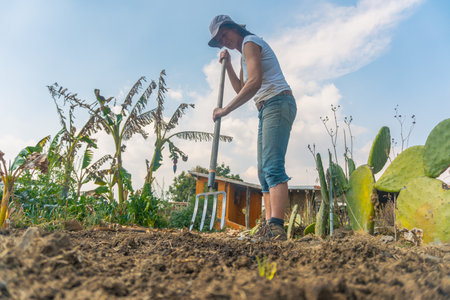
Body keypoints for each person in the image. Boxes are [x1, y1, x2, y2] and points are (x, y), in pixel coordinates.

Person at [208, 15, 297, 241]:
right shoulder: (242, 57)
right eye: (219, 40)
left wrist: (225, 110)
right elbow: (241, 88)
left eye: (224, 34)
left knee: (273, 165)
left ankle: (276, 227)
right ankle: (269, 227)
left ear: (233, 28)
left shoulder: (250, 42)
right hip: (266, 107)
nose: (223, 40)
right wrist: (228, 65)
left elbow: (254, 82)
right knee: (263, 171)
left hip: (277, 101)